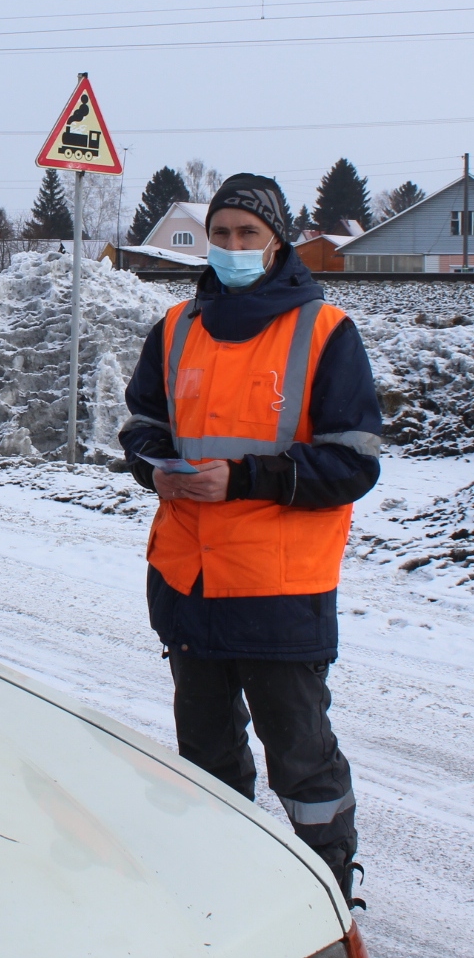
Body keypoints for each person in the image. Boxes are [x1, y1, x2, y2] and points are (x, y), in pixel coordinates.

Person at [118, 173, 381, 908]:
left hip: (280, 589)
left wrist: (243, 478)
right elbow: (142, 426)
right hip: (187, 581)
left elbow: (353, 459)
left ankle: (327, 896)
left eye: (248, 234)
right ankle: (221, 890)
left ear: (277, 241)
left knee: (301, 758)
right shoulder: (176, 328)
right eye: (222, 233)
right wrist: (154, 469)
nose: (233, 248)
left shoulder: (325, 333)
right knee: (205, 757)